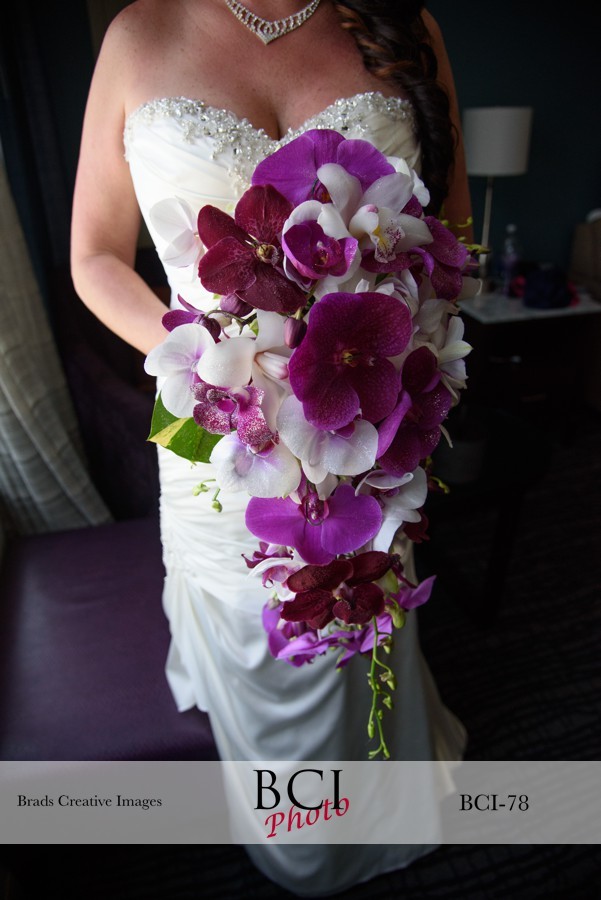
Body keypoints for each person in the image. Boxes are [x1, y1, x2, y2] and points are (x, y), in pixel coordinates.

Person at [71, 1, 473, 894]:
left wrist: (403, 361)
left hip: (366, 414)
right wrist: (222, 371)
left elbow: (451, 234)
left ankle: (388, 802)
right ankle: (303, 842)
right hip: (220, 421)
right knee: (259, 626)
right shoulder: (140, 34)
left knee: (360, 607)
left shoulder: (403, 22)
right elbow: (94, 256)